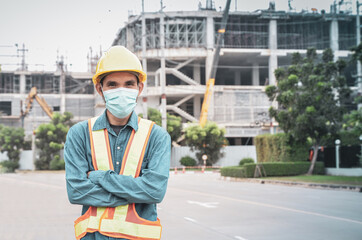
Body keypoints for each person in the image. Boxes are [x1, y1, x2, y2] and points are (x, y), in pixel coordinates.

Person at [64, 46, 171, 240]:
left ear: (140, 88)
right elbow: (76, 192)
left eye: (129, 84)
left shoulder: (156, 136)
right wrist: (136, 193)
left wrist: (101, 178)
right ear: (100, 89)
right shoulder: (79, 134)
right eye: (112, 84)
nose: (121, 91)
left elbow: (154, 191)